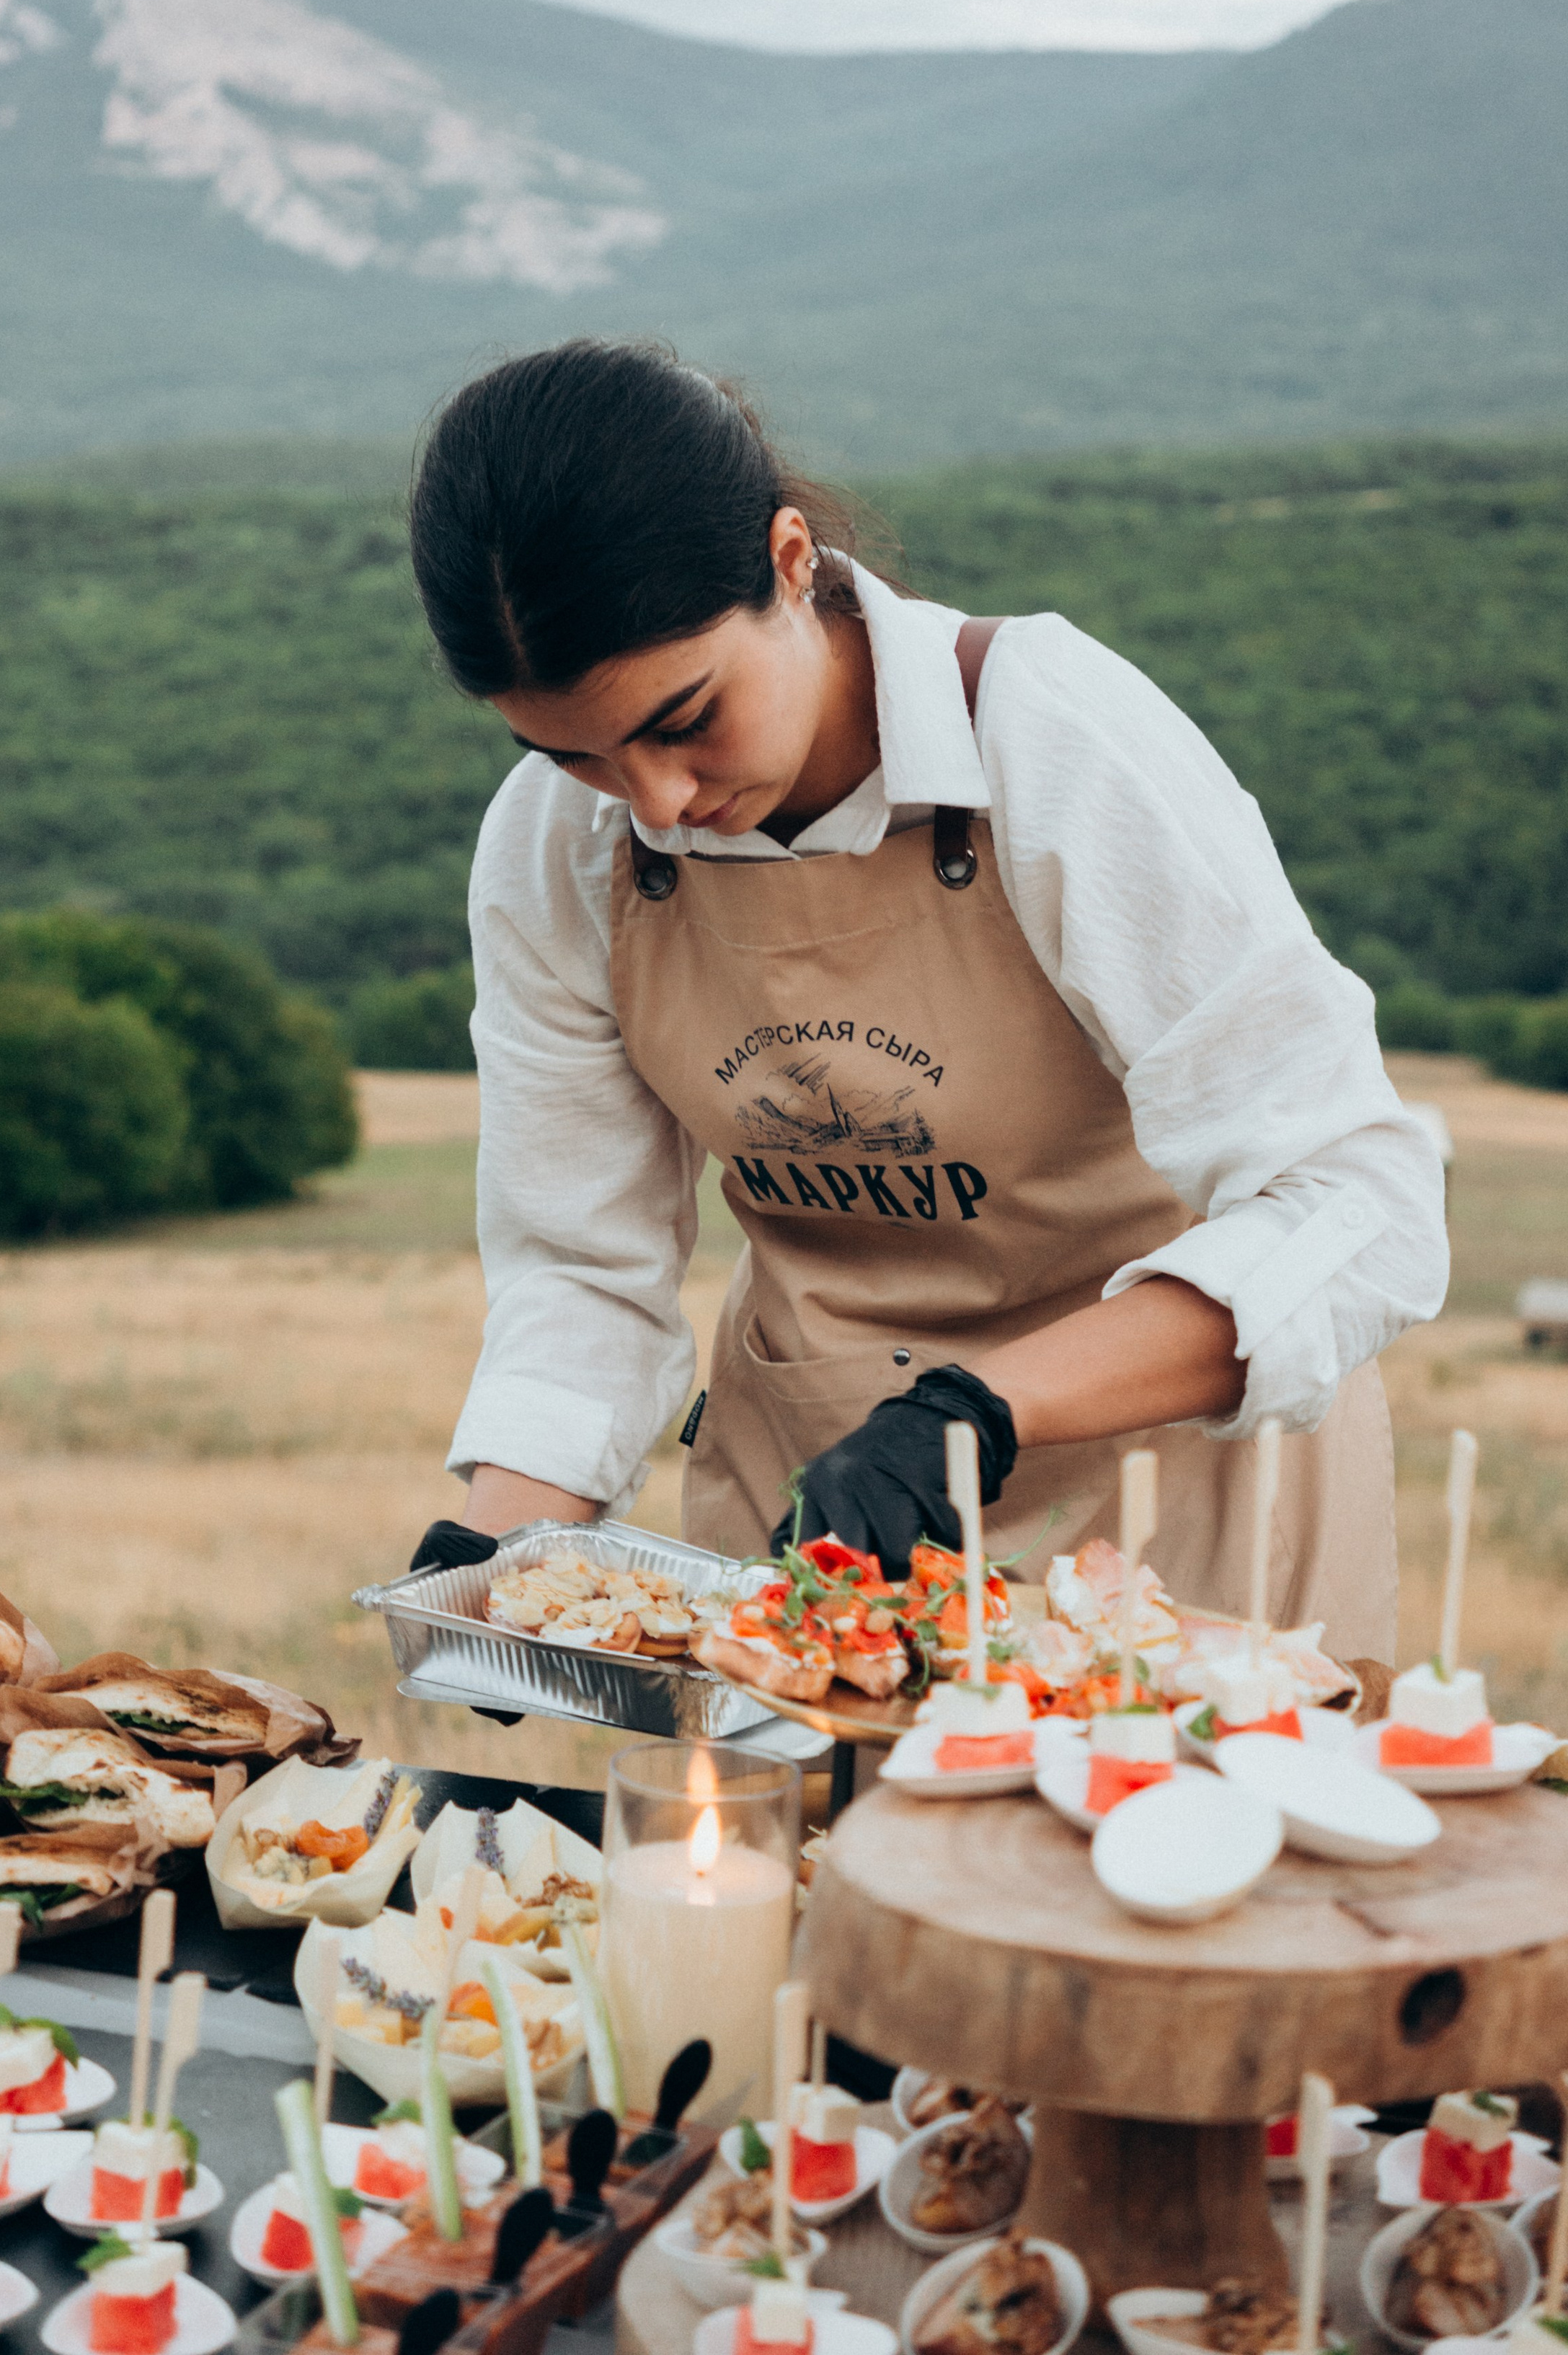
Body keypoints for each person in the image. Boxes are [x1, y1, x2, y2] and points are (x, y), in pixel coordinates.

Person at [404, 340, 1447, 1658]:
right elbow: (582, 1273)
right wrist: (498, 1557)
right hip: (816, 1517)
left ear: (791, 562)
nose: (653, 802)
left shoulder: (1054, 740)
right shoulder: (559, 845)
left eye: (686, 718)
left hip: (1165, 1510)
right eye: (574, 753)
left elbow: (1361, 1204)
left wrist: (978, 1409)